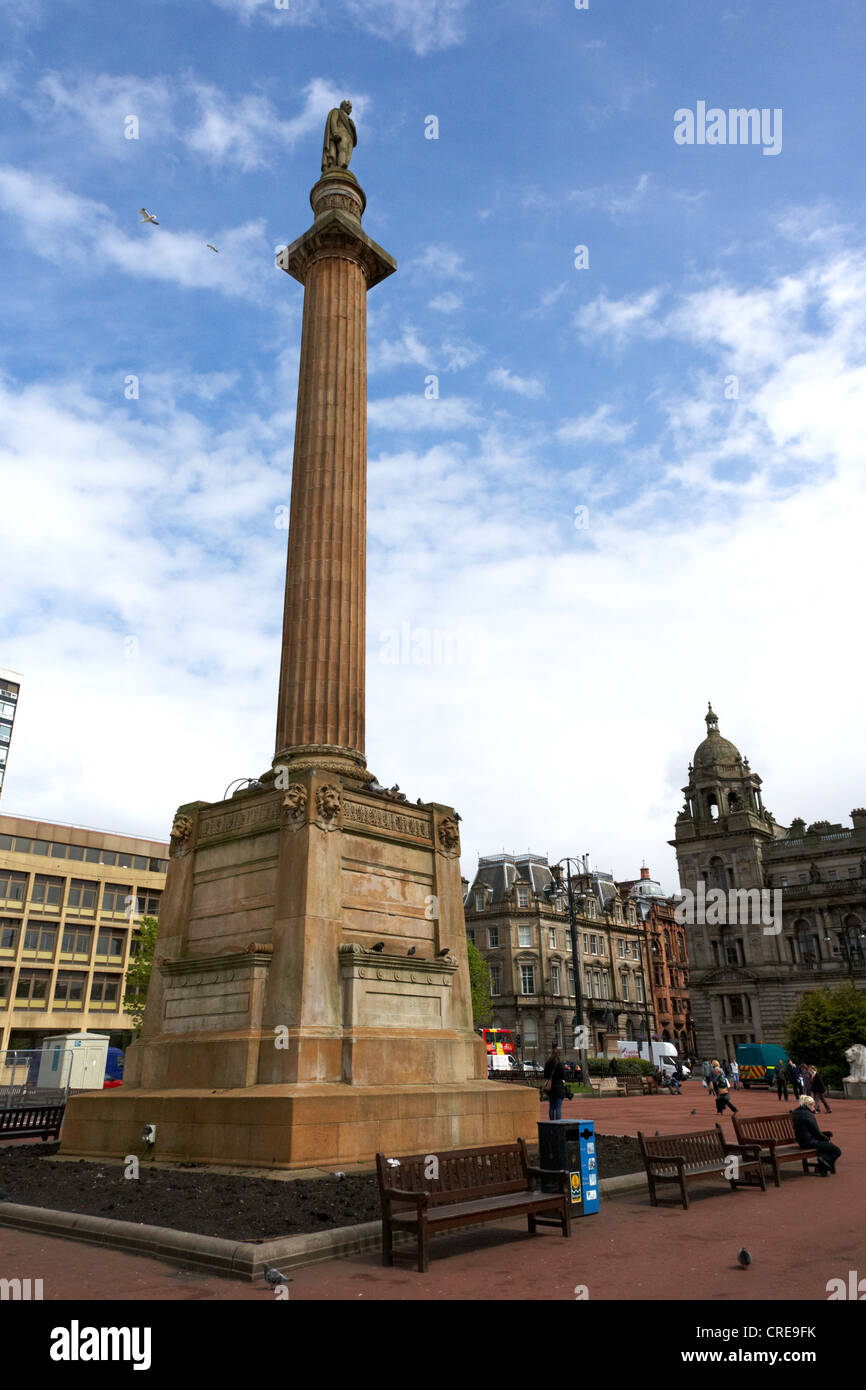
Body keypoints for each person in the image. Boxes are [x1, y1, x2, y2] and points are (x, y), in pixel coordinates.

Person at [792, 1095, 840, 1175]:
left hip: (802, 1141)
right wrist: (826, 1139)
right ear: (809, 1105)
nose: (814, 1108)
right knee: (837, 1151)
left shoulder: (796, 1112)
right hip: (809, 1142)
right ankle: (822, 1165)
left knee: (823, 1148)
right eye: (813, 1106)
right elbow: (816, 1132)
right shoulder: (808, 1115)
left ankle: (822, 1166)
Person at [543, 1046, 567, 1121]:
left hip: (550, 1088)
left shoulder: (547, 1063)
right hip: (559, 1087)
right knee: (558, 1108)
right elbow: (564, 1076)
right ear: (559, 1054)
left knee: (551, 1107)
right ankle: (558, 1123)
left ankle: (552, 1122)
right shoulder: (560, 1063)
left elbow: (546, 1076)